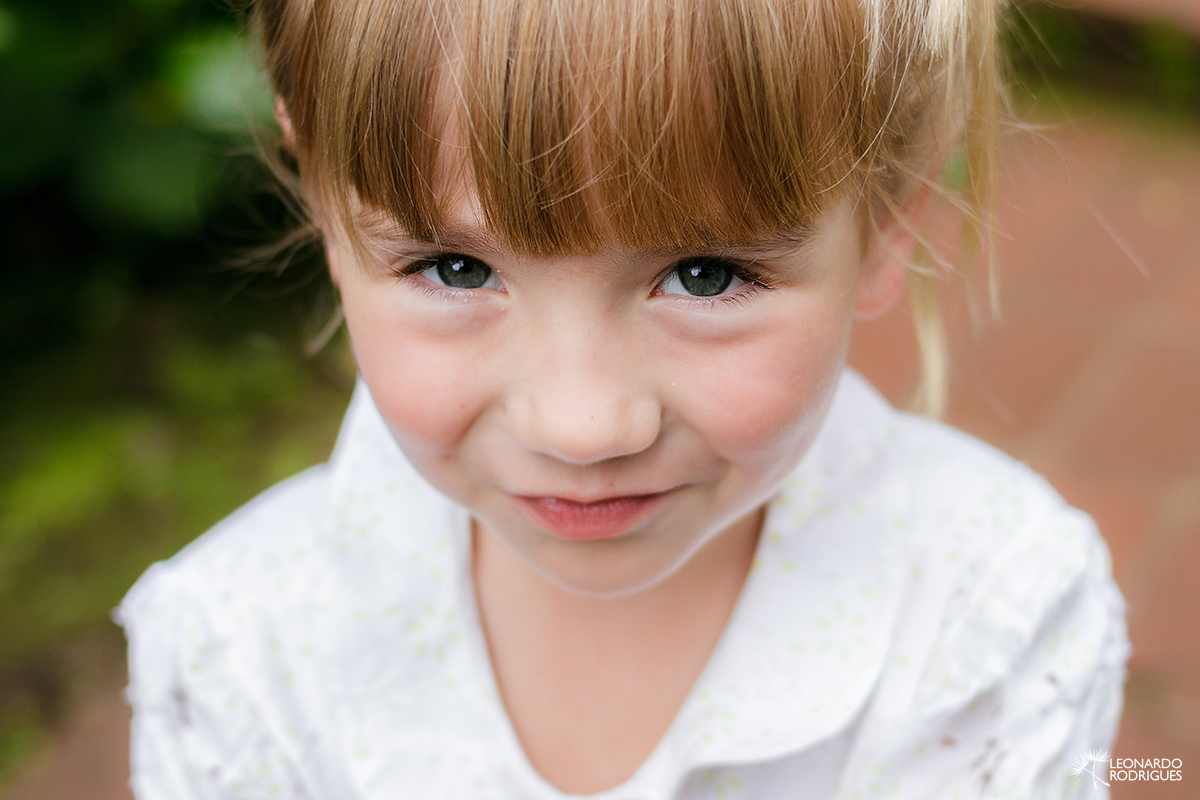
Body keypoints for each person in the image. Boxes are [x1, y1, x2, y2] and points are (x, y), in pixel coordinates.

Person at [119, 0, 1129, 797]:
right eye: (456, 268)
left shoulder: (991, 620)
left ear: (889, 214)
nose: (582, 427)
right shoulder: (244, 658)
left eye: (704, 274)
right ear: (324, 205)